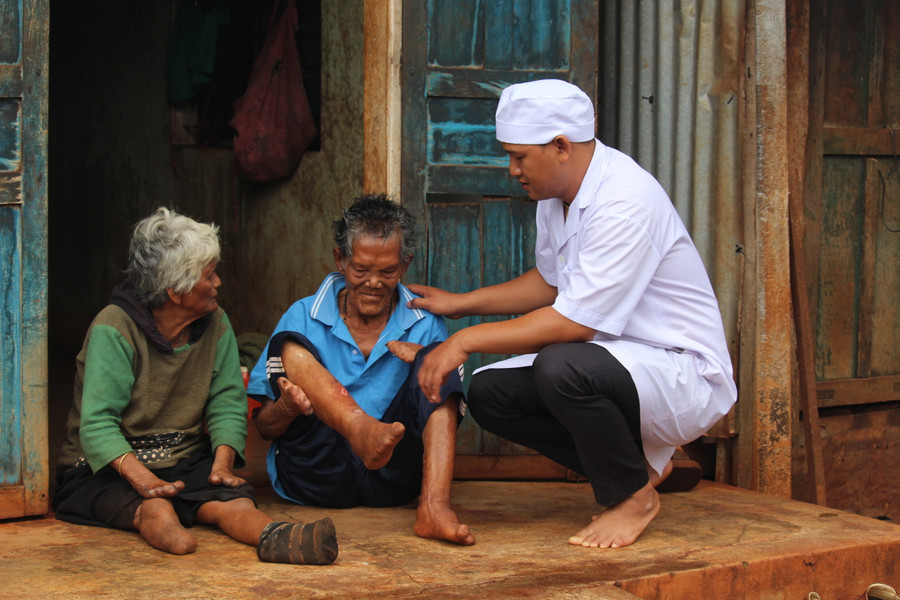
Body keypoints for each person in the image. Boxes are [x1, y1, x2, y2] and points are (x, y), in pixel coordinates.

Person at [410, 79, 738, 550]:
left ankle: (633, 497)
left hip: (681, 370)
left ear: (561, 146)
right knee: (489, 392)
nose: (511, 169)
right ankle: (641, 467)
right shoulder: (555, 197)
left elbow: (574, 323)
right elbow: (550, 283)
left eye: (519, 156)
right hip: (617, 361)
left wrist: (462, 340)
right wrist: (461, 302)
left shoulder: (625, 200)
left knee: (560, 365)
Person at [53, 207, 338, 565]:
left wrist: (221, 465)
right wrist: (146, 483)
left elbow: (227, 401)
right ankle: (162, 524)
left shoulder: (215, 324)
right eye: (210, 274)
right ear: (176, 290)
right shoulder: (114, 329)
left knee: (234, 500)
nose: (218, 282)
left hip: (182, 461)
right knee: (150, 504)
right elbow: (96, 425)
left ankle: (275, 536)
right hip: (110, 467)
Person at [247, 193, 475, 546]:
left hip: (393, 475)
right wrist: (287, 407)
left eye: (387, 271)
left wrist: (428, 357)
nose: (373, 283)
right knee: (290, 344)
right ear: (340, 259)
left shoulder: (424, 322)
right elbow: (264, 427)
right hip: (316, 475)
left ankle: (433, 506)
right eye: (361, 270)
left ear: (404, 265)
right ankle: (359, 429)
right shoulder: (303, 315)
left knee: (439, 359)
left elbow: (439, 398)